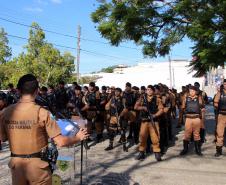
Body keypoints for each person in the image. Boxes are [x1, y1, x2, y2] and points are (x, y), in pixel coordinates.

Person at [0, 74, 89, 185]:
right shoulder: (43, 113)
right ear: (37, 91)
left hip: (16, 167)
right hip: (38, 169)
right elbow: (60, 142)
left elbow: (3, 138)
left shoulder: (5, 112)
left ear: (18, 90)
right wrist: (78, 137)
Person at [134, 85, 163, 161]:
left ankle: (157, 152)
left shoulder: (157, 99)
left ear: (153, 91)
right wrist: (143, 107)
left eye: (150, 90)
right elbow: (135, 107)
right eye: (147, 90)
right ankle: (141, 153)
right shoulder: (142, 98)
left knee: (155, 137)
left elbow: (161, 109)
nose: (148, 91)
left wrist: (155, 115)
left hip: (153, 121)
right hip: (144, 121)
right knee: (142, 137)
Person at [180, 86, 205, 156]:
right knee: (187, 134)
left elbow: (203, 108)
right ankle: (185, 149)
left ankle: (197, 150)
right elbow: (182, 107)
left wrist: (202, 120)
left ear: (196, 91)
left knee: (196, 134)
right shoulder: (186, 98)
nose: (191, 92)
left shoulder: (199, 98)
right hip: (188, 118)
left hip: (197, 118)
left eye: (193, 91)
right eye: (190, 91)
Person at [214, 79, 226, 157]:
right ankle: (219, 150)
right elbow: (215, 102)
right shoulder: (220, 93)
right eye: (224, 84)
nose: (225, 85)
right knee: (220, 133)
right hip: (222, 115)